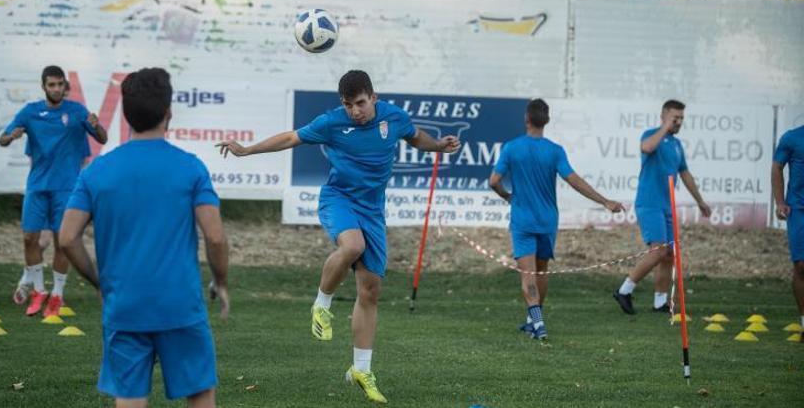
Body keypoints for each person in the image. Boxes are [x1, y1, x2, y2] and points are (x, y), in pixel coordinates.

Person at [218, 70, 459, 403]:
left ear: (373, 98)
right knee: (353, 245)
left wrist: (439, 146)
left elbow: (416, 137)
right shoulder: (331, 122)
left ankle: (361, 369)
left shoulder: (393, 117)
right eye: (348, 105)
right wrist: (247, 151)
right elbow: (290, 138)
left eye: (360, 103)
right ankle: (322, 303)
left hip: (373, 210)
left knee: (371, 290)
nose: (355, 111)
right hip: (339, 200)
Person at [59, 67, 230, 408]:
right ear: (169, 112)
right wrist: (220, 281)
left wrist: (99, 284)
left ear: (125, 113)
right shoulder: (190, 167)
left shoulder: (97, 171)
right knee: (200, 395)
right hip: (180, 305)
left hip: (124, 305)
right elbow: (215, 237)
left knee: (130, 398)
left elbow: (66, 238)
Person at [489, 98, 623, 340]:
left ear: (526, 118)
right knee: (541, 273)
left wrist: (507, 196)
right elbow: (574, 180)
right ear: (546, 121)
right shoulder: (555, 151)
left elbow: (493, 181)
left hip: (523, 220)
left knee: (528, 275)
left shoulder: (511, 148)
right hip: (547, 220)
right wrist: (604, 201)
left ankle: (538, 325)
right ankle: (533, 320)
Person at [0, 65, 107, 317]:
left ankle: (57, 295)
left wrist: (97, 124)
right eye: (52, 85)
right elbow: (2, 139)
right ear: (44, 86)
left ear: (65, 86)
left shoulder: (77, 111)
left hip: (67, 189)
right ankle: (38, 291)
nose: (57, 89)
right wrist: (11, 137)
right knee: (29, 238)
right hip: (37, 186)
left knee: (62, 243)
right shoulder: (30, 112)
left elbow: (102, 137)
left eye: (60, 84)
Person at [613, 100, 711, 315]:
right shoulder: (651, 135)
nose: (678, 122)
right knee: (658, 251)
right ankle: (624, 290)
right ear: (664, 116)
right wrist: (665, 127)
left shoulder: (676, 145)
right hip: (649, 203)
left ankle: (660, 302)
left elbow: (685, 173)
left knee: (668, 255)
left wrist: (700, 201)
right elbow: (646, 147)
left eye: (681, 119)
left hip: (667, 206)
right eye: (675, 117)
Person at [772, 123, 804, 338]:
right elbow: (776, 168)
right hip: (799, 208)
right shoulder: (792, 138)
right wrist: (780, 202)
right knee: (801, 266)